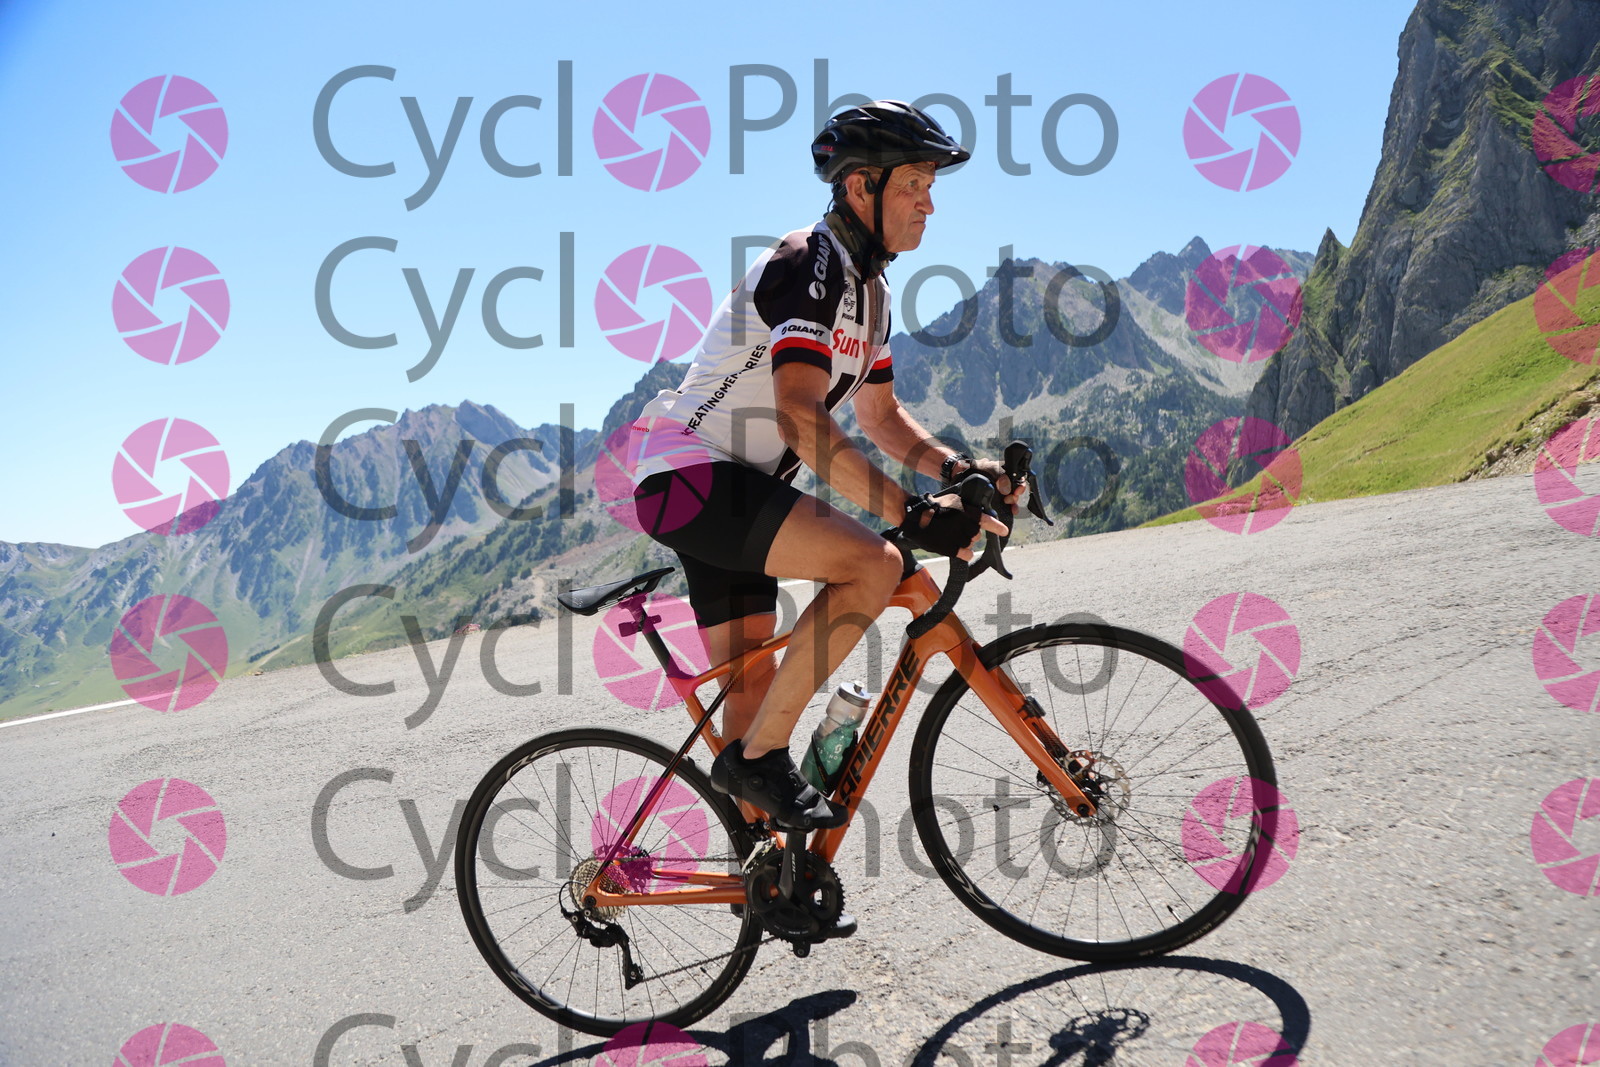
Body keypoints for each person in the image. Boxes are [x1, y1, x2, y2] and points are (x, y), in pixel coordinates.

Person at [628, 100, 1018, 834]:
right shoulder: (809, 261)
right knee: (872, 564)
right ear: (861, 186)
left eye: (931, 187)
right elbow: (801, 419)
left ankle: (766, 871)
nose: (929, 204)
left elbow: (880, 417)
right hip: (692, 478)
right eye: (914, 185)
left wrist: (958, 470)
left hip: (730, 489)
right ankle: (760, 759)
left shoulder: (872, 295)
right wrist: (907, 512)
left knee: (751, 695)